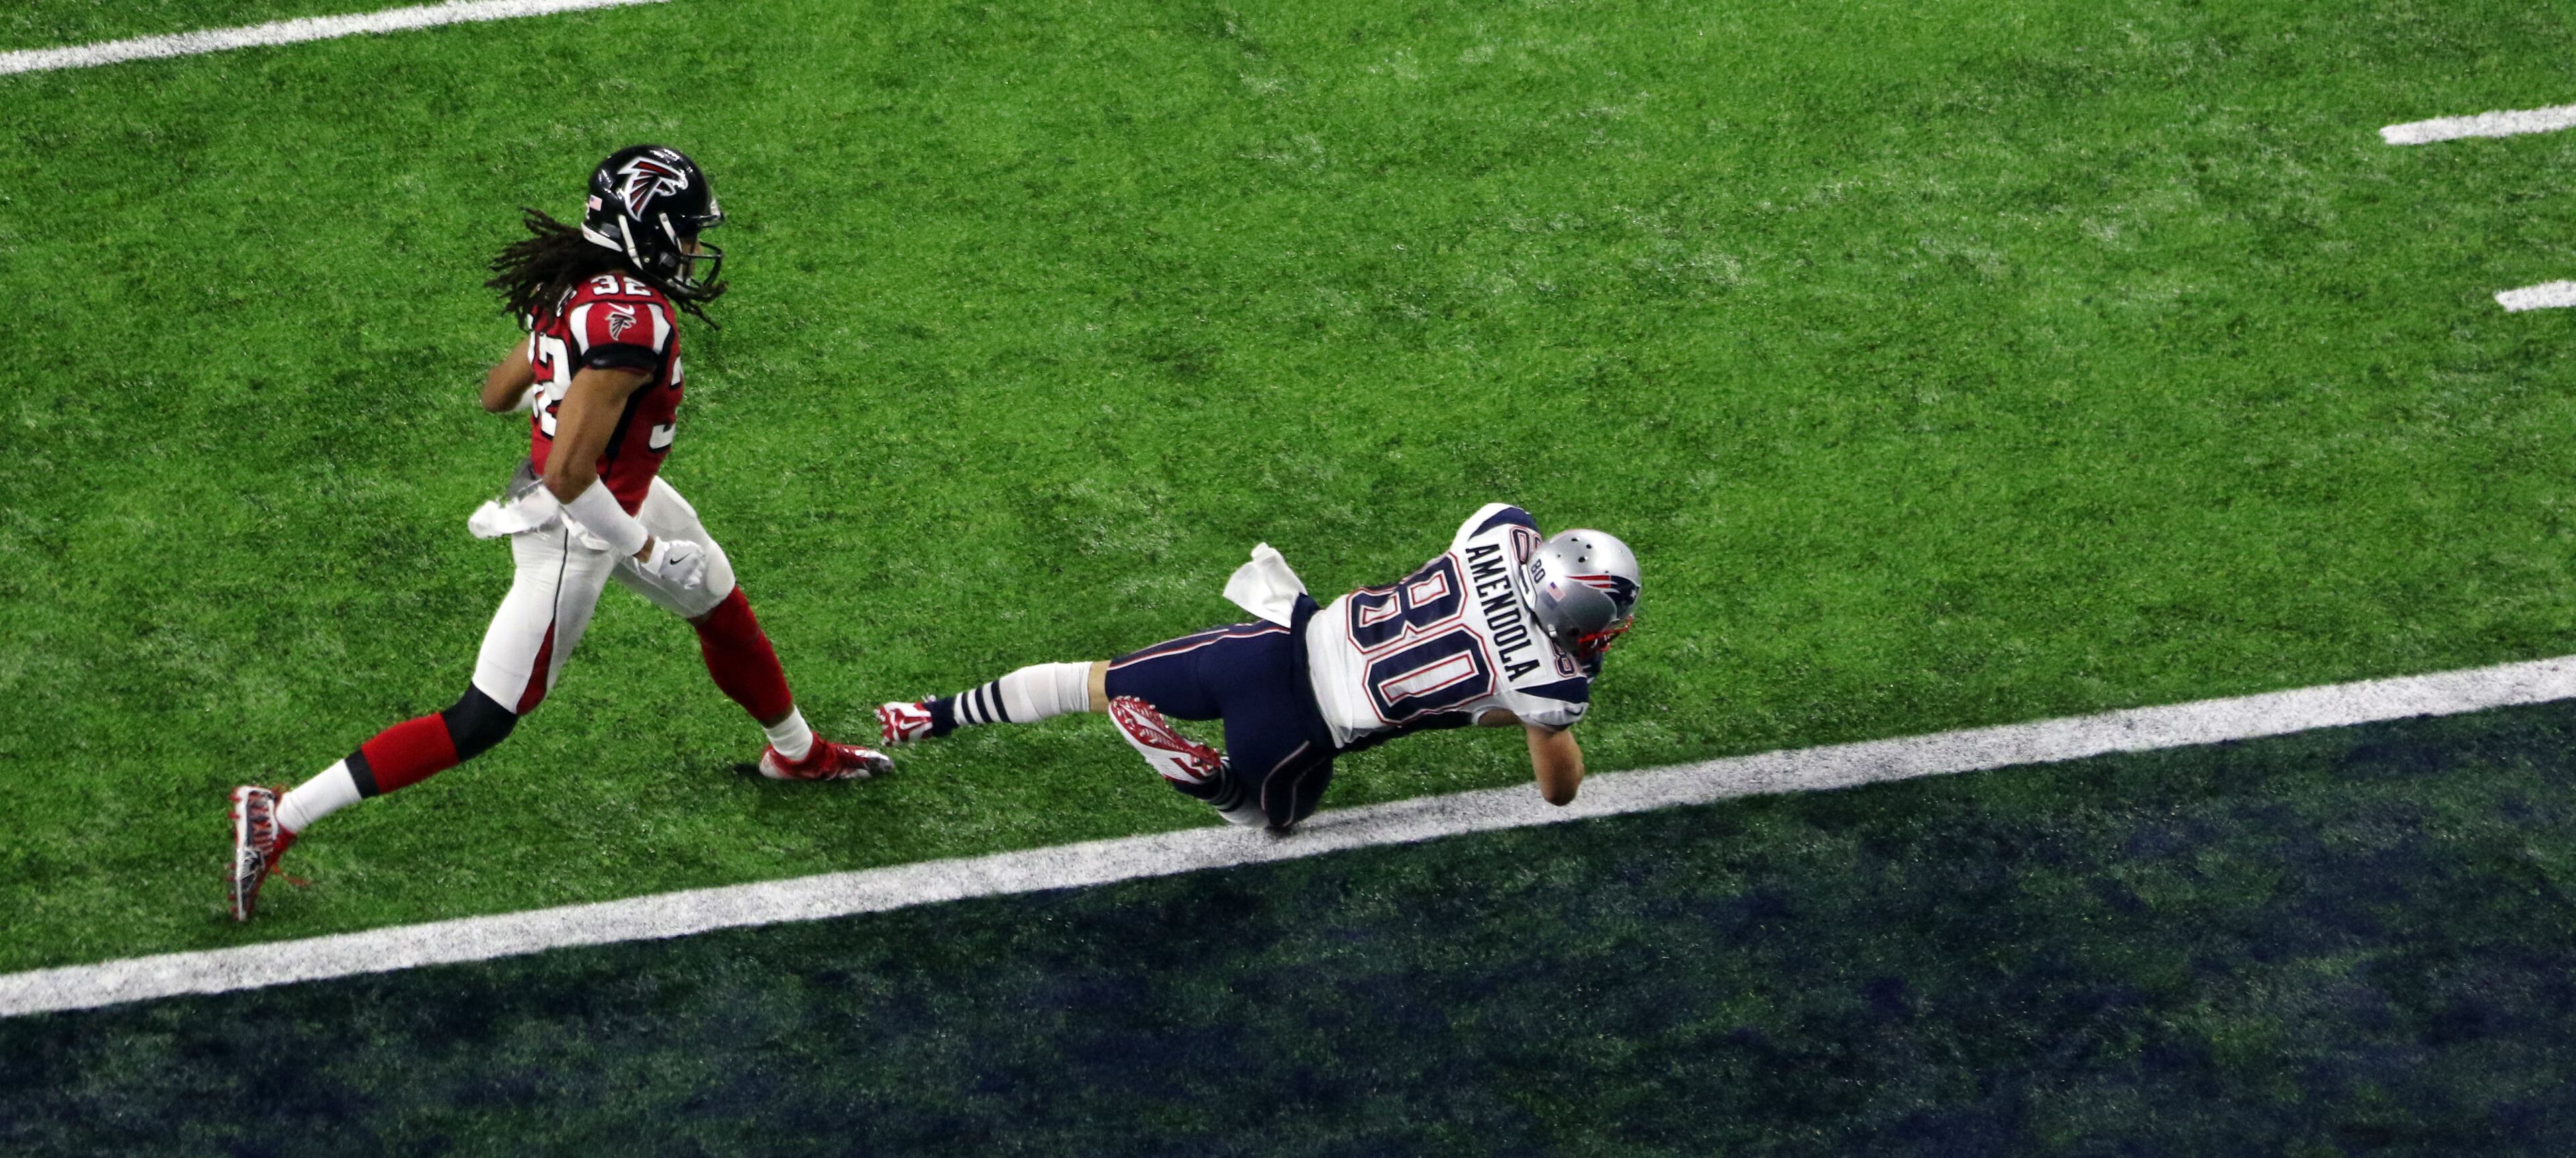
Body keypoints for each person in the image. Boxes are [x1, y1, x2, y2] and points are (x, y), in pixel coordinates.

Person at [228, 146, 891, 922]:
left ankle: (797, 752)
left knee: (717, 598)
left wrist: (562, 396)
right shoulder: (633, 322)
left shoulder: (580, 279)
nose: (690, 248)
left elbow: (497, 393)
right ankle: (283, 813)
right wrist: (641, 546)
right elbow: (574, 477)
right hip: (578, 520)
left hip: (618, 489)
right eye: (681, 231)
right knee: (485, 715)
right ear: (644, 228)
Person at [875, 504, 1638, 829]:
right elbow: (1559, 791)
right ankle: (1208, 779)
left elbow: (1509, 525)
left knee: (1094, 678)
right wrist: (1554, 716)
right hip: (1300, 728)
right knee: (1273, 819)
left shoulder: (1501, 530)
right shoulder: (1555, 683)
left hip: (1270, 640)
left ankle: (932, 713)